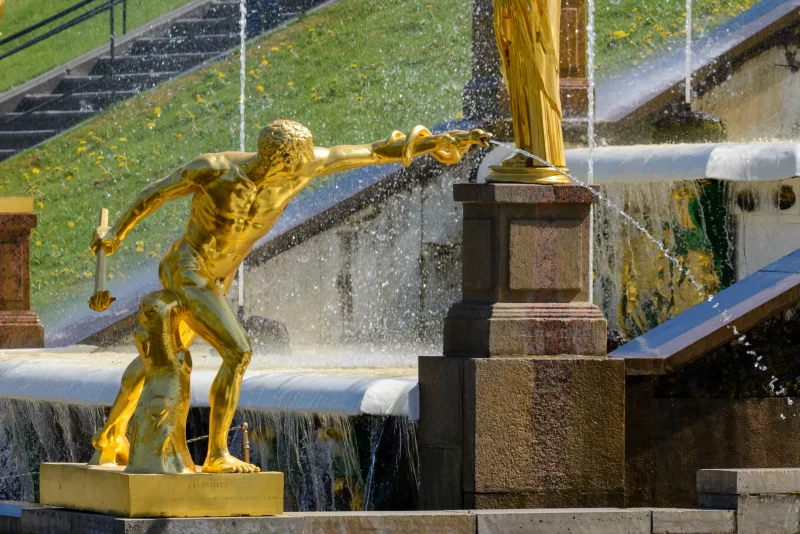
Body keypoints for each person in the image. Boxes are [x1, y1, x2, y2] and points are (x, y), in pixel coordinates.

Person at [90, 120, 490, 473]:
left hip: (217, 277)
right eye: (297, 164)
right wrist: (116, 234)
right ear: (276, 161)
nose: (307, 169)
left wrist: (437, 141)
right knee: (238, 351)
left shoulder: (304, 165)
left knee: (162, 354)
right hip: (188, 267)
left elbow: (372, 151)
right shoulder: (215, 170)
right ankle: (215, 454)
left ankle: (110, 434)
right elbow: (156, 193)